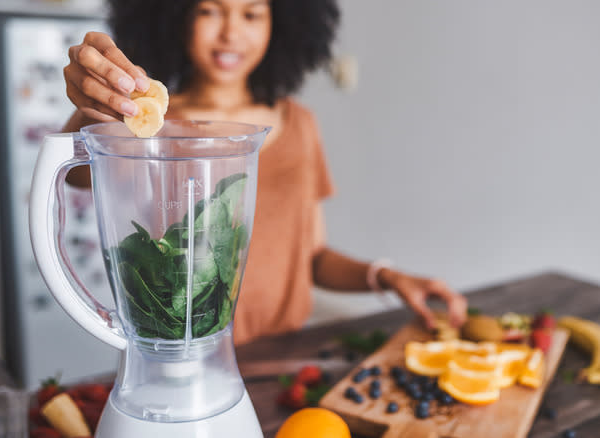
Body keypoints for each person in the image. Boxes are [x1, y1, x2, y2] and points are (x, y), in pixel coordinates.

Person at [61, 0, 467, 345]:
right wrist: (96, 102)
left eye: (252, 14)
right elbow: (75, 172)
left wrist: (388, 277)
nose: (231, 34)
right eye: (210, 11)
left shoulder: (300, 124)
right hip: (176, 357)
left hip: (280, 355)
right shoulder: (145, 126)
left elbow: (313, 258)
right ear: (176, 16)